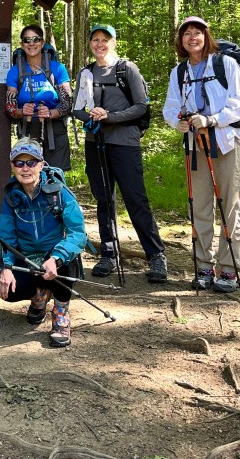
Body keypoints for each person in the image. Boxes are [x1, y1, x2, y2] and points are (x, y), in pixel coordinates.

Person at [73, 24, 168, 284]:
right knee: (104, 199)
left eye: (105, 40)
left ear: (113, 42)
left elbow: (141, 106)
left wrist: (110, 117)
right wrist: (91, 115)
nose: (100, 44)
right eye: (95, 40)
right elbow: (77, 109)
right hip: (95, 142)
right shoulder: (86, 73)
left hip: (125, 143)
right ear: (90, 43)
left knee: (135, 199)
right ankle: (109, 253)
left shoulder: (128, 69)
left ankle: (156, 255)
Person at [162, 16, 240, 293]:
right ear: (181, 41)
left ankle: (229, 268)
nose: (192, 37)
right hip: (195, 144)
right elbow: (171, 106)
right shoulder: (179, 72)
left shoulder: (226, 64)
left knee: (230, 206)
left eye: (197, 33)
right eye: (186, 33)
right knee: (199, 206)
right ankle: (203, 265)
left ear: (206, 36)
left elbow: (239, 105)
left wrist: (211, 119)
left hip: (226, 141)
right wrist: (179, 122)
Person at [0, 138, 88, 348]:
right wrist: (6, 267)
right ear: (12, 166)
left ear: (42, 164)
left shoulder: (58, 192)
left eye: (31, 162)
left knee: (66, 264)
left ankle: (61, 312)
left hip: (54, 257)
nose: (25, 168)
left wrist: (56, 257)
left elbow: (78, 233)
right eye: (19, 163)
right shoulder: (11, 195)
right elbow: (5, 237)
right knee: (7, 289)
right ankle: (40, 295)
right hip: (26, 258)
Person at [5, 24, 73, 170]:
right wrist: (21, 111)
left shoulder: (58, 69)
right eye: (27, 40)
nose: (31, 43)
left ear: (42, 43)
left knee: (55, 178)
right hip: (27, 130)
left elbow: (68, 103)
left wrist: (52, 113)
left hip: (55, 131)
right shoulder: (15, 72)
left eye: (36, 39)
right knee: (29, 176)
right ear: (22, 44)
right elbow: (10, 106)